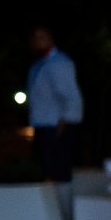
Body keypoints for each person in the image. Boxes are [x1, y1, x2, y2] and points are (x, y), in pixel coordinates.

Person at [26, 27, 84, 182]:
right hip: (42, 124)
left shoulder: (59, 62)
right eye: (35, 38)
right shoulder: (39, 64)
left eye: (42, 37)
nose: (37, 42)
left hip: (55, 126)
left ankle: (61, 197)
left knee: (58, 171)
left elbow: (70, 94)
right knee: (43, 170)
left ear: (51, 39)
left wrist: (65, 121)